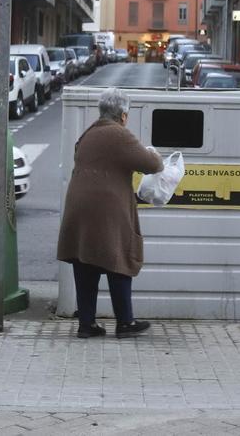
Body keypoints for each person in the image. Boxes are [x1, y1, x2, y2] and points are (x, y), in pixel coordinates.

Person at [57, 87, 163, 340]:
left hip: (78, 206)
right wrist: (154, 154)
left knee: (85, 261)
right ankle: (125, 322)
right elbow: (152, 165)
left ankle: (86, 324)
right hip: (107, 209)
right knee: (119, 259)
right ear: (123, 115)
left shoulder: (89, 133)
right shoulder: (119, 134)